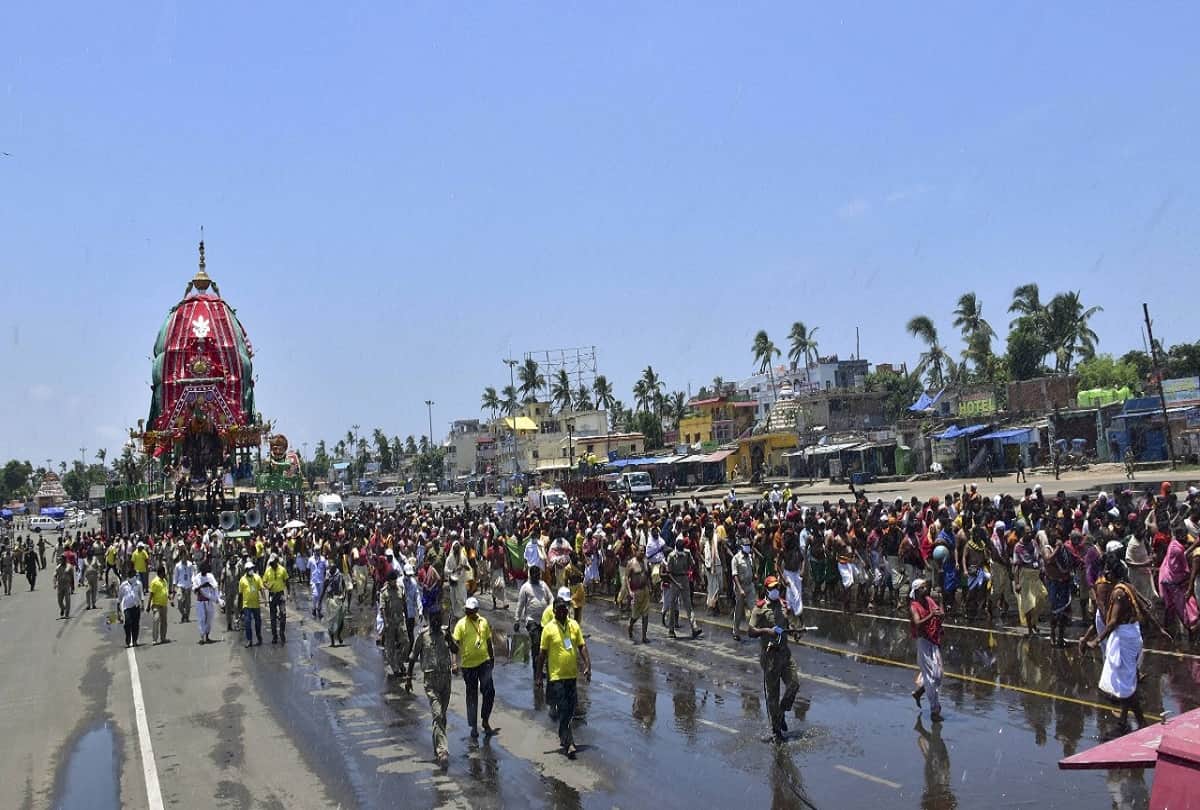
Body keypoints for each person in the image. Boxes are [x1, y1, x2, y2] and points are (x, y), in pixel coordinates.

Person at [748, 576, 801, 744]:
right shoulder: (760, 608)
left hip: (785, 654)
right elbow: (750, 631)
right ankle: (776, 731)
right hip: (770, 656)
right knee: (773, 696)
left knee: (794, 684)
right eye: (772, 588)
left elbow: (789, 625)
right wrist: (766, 631)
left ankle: (781, 713)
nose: (775, 590)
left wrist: (795, 631)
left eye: (777, 587)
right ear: (766, 590)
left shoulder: (784, 605)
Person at [541, 589, 590, 758]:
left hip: (571, 676)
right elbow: (542, 653)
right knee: (563, 708)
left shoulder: (574, 625)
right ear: (554, 611)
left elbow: (581, 646)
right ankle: (569, 742)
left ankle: (564, 736)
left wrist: (588, 665)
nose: (563, 612)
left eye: (565, 609)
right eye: (560, 610)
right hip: (556, 676)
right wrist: (538, 676)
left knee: (570, 709)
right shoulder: (548, 629)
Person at [406, 609, 453, 770]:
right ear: (429, 619)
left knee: (441, 716)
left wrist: (450, 639)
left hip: (446, 680)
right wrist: (408, 678)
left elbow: (455, 650)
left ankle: (437, 746)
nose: (437, 621)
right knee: (437, 714)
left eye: (439, 618)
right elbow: (412, 657)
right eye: (434, 619)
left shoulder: (446, 633)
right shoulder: (423, 635)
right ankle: (442, 751)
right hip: (431, 682)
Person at [452, 597, 496, 739]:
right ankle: (473, 726)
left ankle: (485, 720)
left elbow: (488, 641)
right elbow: (455, 646)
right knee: (472, 696)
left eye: (471, 611)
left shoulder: (484, 622)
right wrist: (454, 663)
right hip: (468, 666)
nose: (468, 613)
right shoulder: (460, 624)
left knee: (489, 692)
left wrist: (492, 658)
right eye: (467, 610)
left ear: (476, 610)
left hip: (484, 662)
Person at [908, 578, 944, 722]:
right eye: (922, 588)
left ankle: (919, 692)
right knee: (931, 678)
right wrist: (931, 616)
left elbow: (939, 613)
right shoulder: (914, 606)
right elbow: (917, 623)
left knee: (938, 675)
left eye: (925, 587)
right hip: (923, 642)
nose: (926, 589)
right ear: (917, 591)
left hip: (933, 640)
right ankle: (935, 710)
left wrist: (941, 604)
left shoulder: (929, 600)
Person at [515, 565, 553, 687]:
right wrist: (517, 620)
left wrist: (552, 610)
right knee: (536, 645)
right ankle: (537, 673)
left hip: (545, 621)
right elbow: (520, 604)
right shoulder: (525, 587)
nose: (537, 577)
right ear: (530, 576)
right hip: (532, 621)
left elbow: (551, 598)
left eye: (538, 575)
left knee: (545, 646)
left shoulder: (543, 585)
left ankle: (541, 670)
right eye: (535, 576)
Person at [664, 539, 702, 639]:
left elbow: (693, 564)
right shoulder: (671, 556)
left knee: (688, 604)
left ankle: (694, 627)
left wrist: (694, 575)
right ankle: (671, 629)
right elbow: (669, 573)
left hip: (684, 578)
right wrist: (676, 583)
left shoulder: (687, 553)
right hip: (674, 580)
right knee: (673, 605)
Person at [380, 570, 409, 677]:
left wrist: (407, 616)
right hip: (390, 621)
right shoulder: (384, 592)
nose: (395, 582)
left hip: (400, 620)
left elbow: (404, 603)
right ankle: (395, 668)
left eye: (395, 580)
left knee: (406, 642)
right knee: (390, 646)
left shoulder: (400, 589)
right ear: (389, 581)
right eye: (393, 581)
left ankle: (400, 661)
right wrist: (385, 622)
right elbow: (382, 609)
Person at [625, 545, 651, 643]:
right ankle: (630, 626)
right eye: (640, 551)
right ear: (636, 552)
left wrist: (650, 587)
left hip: (645, 590)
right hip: (636, 592)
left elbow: (648, 576)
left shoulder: (646, 562)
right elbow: (626, 578)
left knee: (645, 614)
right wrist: (629, 591)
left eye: (643, 551)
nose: (642, 552)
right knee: (635, 615)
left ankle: (644, 636)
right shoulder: (631, 563)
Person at [731, 539, 756, 641]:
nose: (748, 547)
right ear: (741, 546)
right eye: (746, 545)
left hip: (750, 586)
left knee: (754, 609)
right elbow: (734, 575)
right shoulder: (736, 559)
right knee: (739, 611)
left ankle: (754, 630)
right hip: (740, 587)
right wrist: (740, 589)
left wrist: (754, 576)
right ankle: (735, 631)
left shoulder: (750, 557)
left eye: (749, 545)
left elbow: (752, 569)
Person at [193, 561, 221, 644]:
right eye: (203, 570)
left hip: (209, 601)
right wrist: (203, 585)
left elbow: (215, 586)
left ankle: (207, 636)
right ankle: (202, 637)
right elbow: (195, 590)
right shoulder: (197, 578)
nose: (204, 572)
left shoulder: (210, 576)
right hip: (200, 601)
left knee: (209, 619)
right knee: (201, 619)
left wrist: (210, 586)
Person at [238, 560, 265, 648]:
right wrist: (239, 608)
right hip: (246, 605)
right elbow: (240, 594)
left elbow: (261, 589)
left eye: (252, 568)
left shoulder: (257, 577)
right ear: (246, 570)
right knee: (247, 623)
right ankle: (249, 640)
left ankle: (259, 637)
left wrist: (264, 599)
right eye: (249, 569)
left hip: (256, 604)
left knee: (258, 622)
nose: (251, 570)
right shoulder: (242, 580)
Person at [263, 554, 288, 644]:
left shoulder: (282, 570)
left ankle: (282, 632)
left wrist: (288, 593)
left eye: (273, 562)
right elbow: (264, 582)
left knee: (283, 614)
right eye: (271, 563)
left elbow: (287, 581)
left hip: (280, 594)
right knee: (273, 616)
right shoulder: (268, 571)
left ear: (277, 561)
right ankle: (274, 636)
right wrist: (267, 586)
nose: (271, 564)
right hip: (272, 595)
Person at [322, 563, 348, 646]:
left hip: (338, 599)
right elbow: (324, 588)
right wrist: (319, 602)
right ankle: (332, 641)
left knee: (341, 620)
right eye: (329, 569)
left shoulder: (340, 576)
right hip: (330, 599)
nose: (330, 570)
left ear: (335, 569)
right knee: (331, 621)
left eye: (332, 569)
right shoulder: (327, 575)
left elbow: (344, 587)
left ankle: (339, 635)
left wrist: (344, 597)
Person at [119, 569, 144, 647]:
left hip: (136, 606)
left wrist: (142, 604)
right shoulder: (123, 585)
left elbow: (141, 594)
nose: (133, 577)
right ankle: (128, 638)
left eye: (134, 575)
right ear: (128, 576)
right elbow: (119, 598)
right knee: (127, 623)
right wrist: (118, 612)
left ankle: (135, 640)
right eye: (132, 575)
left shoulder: (138, 584)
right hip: (127, 607)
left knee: (135, 624)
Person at [172, 553, 197, 623]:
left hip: (188, 586)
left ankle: (187, 617)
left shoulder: (190, 565)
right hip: (180, 586)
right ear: (181, 557)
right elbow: (175, 577)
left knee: (188, 604)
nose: (184, 558)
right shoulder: (177, 565)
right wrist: (174, 586)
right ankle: (183, 614)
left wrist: (193, 582)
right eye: (183, 557)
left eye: (185, 557)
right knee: (179, 600)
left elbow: (192, 575)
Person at [149, 564, 170, 644]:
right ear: (161, 573)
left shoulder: (164, 581)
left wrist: (170, 599)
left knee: (164, 622)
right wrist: (148, 605)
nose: (165, 574)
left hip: (164, 604)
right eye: (164, 573)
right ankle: (154, 639)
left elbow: (166, 591)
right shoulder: (154, 582)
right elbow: (151, 594)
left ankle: (163, 638)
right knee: (156, 620)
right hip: (156, 604)